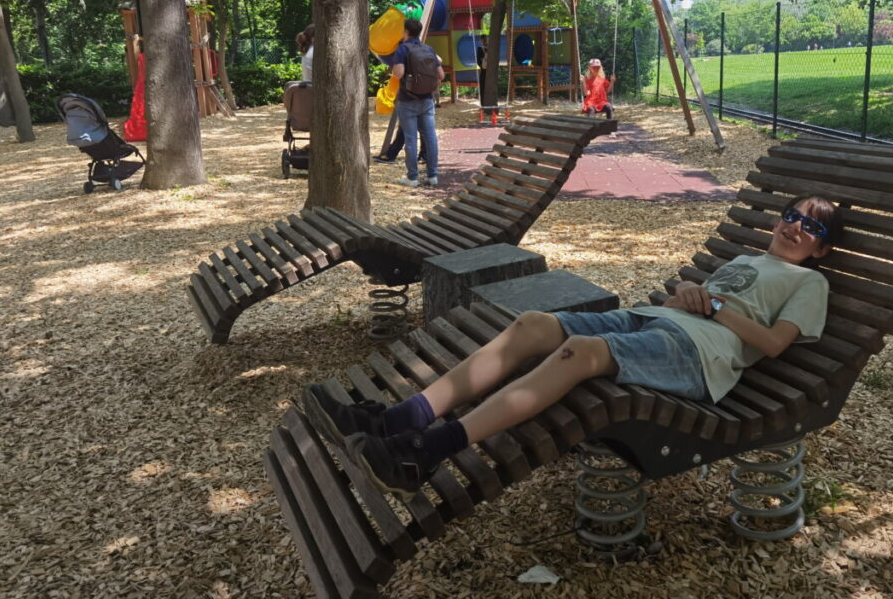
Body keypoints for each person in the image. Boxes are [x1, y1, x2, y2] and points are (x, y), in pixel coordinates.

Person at [303, 194, 844, 502]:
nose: (795, 227)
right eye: (791, 216)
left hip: (700, 355)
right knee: (534, 325)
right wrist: (686, 291)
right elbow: (698, 296)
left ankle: (428, 451)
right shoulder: (746, 259)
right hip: (658, 318)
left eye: (810, 226)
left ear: (820, 247)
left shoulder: (809, 284)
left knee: (578, 352)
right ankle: (401, 418)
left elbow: (773, 344)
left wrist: (718, 309)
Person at [392, 18, 443, 188]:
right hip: (427, 99)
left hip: (408, 100)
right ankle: (432, 175)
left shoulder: (402, 50)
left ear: (405, 31)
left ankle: (412, 178)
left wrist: (394, 68)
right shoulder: (428, 49)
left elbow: (399, 74)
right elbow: (441, 75)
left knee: (411, 139)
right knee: (430, 137)